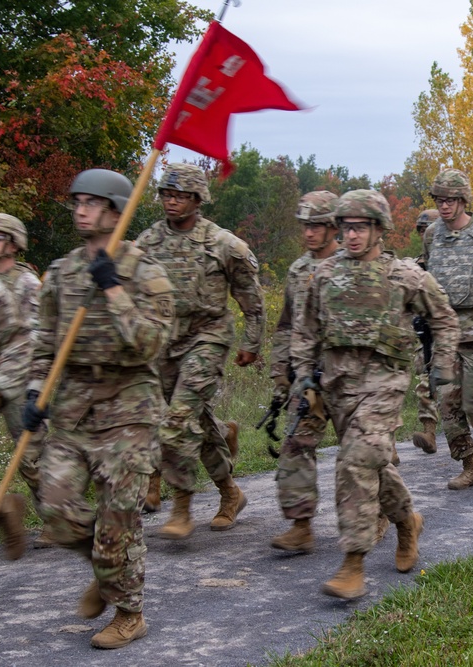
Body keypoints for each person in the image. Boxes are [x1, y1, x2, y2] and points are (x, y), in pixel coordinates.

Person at [28, 168, 174, 648]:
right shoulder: (62, 272)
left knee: (118, 522)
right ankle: (106, 564)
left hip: (128, 409)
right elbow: (45, 341)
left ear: (115, 210)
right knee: (55, 510)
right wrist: (35, 393)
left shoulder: (144, 271)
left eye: (91, 202)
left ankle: (129, 612)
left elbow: (151, 344)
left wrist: (112, 287)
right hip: (73, 407)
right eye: (77, 202)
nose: (80, 210)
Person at [290, 189, 459, 599]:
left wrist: (442, 367)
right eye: (346, 227)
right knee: (374, 464)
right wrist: (303, 377)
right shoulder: (324, 275)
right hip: (337, 386)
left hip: (384, 383)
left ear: (378, 229)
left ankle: (353, 563)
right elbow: (305, 331)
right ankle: (407, 522)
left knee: (354, 461)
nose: (351, 236)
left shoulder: (403, 275)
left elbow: (445, 319)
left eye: (360, 227)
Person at [136, 164, 264, 538]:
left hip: (208, 337)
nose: (171, 201)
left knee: (177, 420)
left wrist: (251, 345)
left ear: (197, 199)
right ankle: (229, 490)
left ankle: (181, 507)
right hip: (165, 342)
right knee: (195, 422)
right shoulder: (148, 243)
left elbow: (253, 304)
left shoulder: (223, 244)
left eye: (180, 195)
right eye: (166, 194)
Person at [420, 169, 473, 491]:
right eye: (439, 200)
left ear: (464, 200)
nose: (444, 206)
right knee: (448, 402)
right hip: (445, 335)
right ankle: (470, 465)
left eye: (451, 200)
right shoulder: (431, 235)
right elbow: (428, 276)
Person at [268, 191, 339, 553]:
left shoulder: (349, 264)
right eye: (305, 226)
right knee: (296, 444)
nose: (309, 233)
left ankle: (384, 515)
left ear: (333, 226)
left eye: (317, 226)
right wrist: (282, 372)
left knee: (366, 454)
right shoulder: (297, 271)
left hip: (348, 376)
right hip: (309, 376)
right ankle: (301, 525)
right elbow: (285, 326)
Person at [0, 213, 45, 527]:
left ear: (12, 243)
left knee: (31, 456)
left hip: (19, 377)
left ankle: (54, 519)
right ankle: (0, 508)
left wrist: (38, 384)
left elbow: (37, 336)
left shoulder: (26, 283)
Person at [410, 208, 442, 453]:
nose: (425, 235)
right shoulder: (414, 267)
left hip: (459, 335)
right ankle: (429, 431)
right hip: (427, 337)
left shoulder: (452, 263)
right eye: (421, 230)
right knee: (425, 381)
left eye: (428, 229)